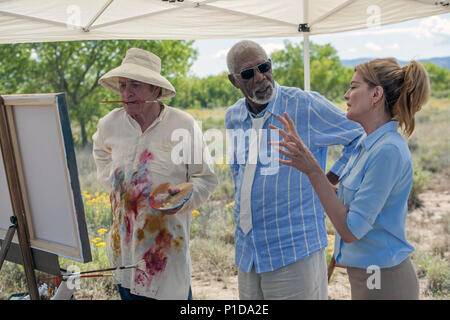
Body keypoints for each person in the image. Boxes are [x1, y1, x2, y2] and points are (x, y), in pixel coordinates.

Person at [270, 58, 429, 299]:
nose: (346, 95)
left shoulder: (387, 151)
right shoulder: (367, 144)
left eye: (354, 87)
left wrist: (313, 170)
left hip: (382, 279)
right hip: (369, 276)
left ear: (376, 94)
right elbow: (345, 207)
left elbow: (351, 229)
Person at [225, 40, 364, 300]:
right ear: (234, 81)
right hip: (249, 253)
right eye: (248, 73)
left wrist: (329, 178)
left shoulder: (304, 105)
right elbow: (240, 174)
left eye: (264, 67)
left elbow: (360, 136)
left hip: (294, 248)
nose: (260, 77)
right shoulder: (233, 117)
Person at [92, 48, 218, 300]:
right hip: (124, 256)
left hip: (165, 255)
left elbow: (205, 178)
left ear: (155, 91)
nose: (126, 92)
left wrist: (181, 200)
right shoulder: (109, 124)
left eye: (135, 86)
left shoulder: (183, 125)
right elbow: (101, 155)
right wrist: (119, 184)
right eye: (123, 85)